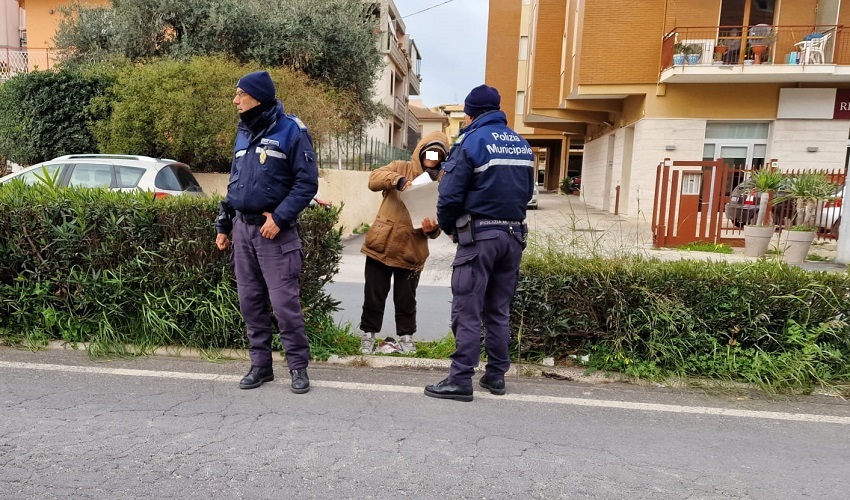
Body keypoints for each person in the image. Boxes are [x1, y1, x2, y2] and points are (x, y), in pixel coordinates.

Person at [424, 84, 535, 402]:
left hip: (480, 238)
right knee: (498, 309)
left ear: (470, 112)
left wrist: (448, 228)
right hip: (513, 236)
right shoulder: (520, 143)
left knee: (468, 309)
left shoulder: (471, 140)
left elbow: (450, 194)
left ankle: (460, 379)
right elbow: (525, 193)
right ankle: (496, 376)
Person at [215, 70, 318, 393]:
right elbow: (236, 183)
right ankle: (261, 366)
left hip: (276, 234)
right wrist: (224, 224)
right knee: (250, 302)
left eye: (239, 94)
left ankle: (298, 368)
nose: (235, 100)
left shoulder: (292, 131)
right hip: (243, 232)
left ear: (256, 97)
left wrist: (281, 218)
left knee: (284, 305)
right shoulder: (243, 132)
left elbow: (306, 183)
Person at [359, 131, 450, 355]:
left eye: (438, 154)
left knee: (406, 301)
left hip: (412, 250)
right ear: (420, 151)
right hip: (381, 244)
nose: (432, 157)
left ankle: (406, 339)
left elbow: (439, 224)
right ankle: (368, 337)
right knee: (373, 295)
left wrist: (433, 230)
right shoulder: (400, 167)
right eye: (429, 151)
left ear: (443, 158)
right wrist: (398, 181)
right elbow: (373, 179)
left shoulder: (444, 183)